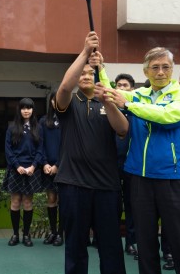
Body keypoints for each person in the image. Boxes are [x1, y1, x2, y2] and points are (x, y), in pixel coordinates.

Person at [110, 47, 180, 274]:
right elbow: (109, 92)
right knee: (145, 243)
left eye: (166, 67)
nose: (161, 72)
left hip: (172, 177)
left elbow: (168, 117)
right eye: (155, 67)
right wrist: (98, 65)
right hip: (140, 178)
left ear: (172, 69)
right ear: (146, 71)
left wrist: (129, 106)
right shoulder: (139, 94)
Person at [54, 31, 129, 274]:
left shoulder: (109, 104)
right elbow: (65, 85)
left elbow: (123, 129)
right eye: (82, 73)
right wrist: (85, 51)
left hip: (107, 186)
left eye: (90, 72)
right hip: (73, 185)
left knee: (111, 246)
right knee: (75, 246)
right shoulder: (68, 102)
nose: (85, 76)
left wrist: (107, 99)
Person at [2, 97, 44, 247]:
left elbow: (41, 150)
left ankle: (26, 235)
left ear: (33, 110)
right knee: (15, 202)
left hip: (32, 170)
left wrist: (33, 166)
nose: (26, 110)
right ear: (19, 110)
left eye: (29, 108)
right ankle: (15, 235)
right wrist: (17, 166)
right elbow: (8, 150)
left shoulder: (38, 128)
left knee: (27, 203)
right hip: (16, 169)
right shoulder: (12, 127)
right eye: (23, 108)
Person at [113, 73, 138, 258]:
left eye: (125, 85)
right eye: (118, 85)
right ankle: (107, 240)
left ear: (132, 89)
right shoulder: (107, 109)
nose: (121, 88)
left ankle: (131, 243)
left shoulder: (137, 110)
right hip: (110, 166)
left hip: (132, 165)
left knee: (131, 206)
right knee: (111, 205)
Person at [39, 91, 63, 247]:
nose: (57, 103)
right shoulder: (43, 121)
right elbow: (39, 144)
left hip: (65, 167)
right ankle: (53, 232)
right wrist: (45, 163)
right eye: (55, 100)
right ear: (51, 103)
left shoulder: (70, 120)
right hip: (47, 167)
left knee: (64, 201)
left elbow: (71, 146)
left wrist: (58, 165)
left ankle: (61, 234)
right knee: (51, 200)